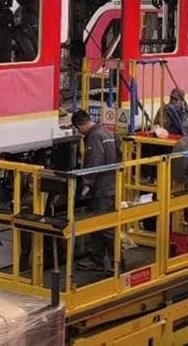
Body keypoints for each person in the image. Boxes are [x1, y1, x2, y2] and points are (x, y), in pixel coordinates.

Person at [72, 109, 120, 272]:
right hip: (110, 185)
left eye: (79, 130)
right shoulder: (106, 132)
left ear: (80, 126)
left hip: (101, 189)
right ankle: (98, 260)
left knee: (105, 228)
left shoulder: (93, 136)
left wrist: (86, 185)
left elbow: (94, 162)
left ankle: (116, 264)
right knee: (100, 226)